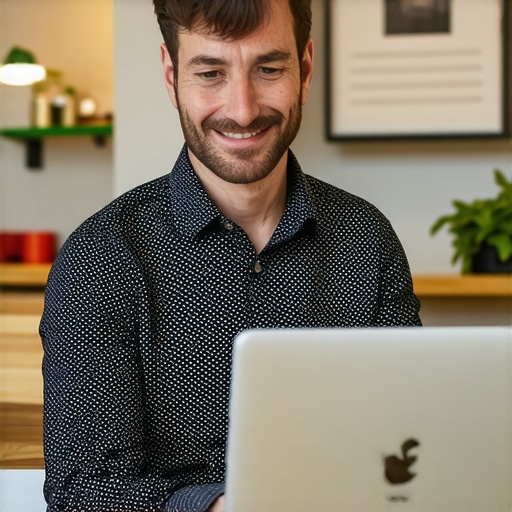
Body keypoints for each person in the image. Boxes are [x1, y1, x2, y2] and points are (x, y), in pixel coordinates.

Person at [40, 0, 421, 511]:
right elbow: (82, 490)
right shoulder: (100, 256)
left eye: (268, 69)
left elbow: (411, 442)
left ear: (305, 69)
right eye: (211, 72)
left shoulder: (367, 239)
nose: (242, 109)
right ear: (171, 74)